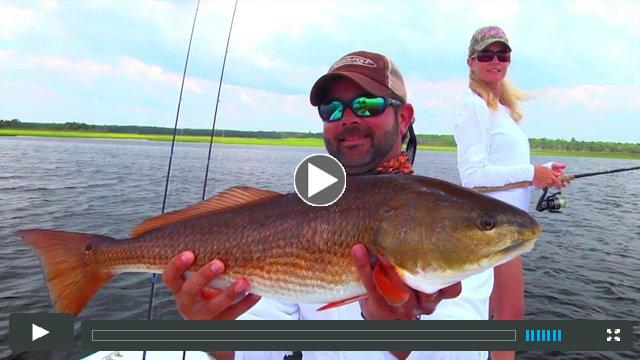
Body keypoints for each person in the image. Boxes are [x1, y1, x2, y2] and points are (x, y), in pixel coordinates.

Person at [162, 50, 480, 360]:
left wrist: (398, 333)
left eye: (367, 104)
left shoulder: (447, 217)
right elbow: (260, 346)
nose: (348, 119)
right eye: (332, 109)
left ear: (404, 118)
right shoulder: (303, 214)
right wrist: (208, 328)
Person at [453, 26, 568, 360]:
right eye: (486, 54)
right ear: (471, 62)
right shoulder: (472, 107)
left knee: (498, 316)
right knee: (509, 316)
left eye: (502, 54)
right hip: (489, 229)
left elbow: (506, 166)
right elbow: (473, 177)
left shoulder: (499, 109)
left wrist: (543, 171)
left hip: (503, 228)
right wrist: (533, 174)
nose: (495, 60)